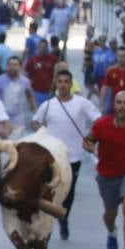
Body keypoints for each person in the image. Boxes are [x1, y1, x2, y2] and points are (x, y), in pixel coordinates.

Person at [32, 69, 99, 239]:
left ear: (71, 84)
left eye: (66, 82)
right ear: (56, 84)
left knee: (68, 191)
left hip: (74, 156)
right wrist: (41, 130)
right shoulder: (48, 105)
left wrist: (91, 137)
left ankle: (64, 219)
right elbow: (35, 121)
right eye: (60, 81)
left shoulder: (82, 103)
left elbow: (98, 120)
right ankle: (47, 219)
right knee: (49, 187)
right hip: (52, 155)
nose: (63, 85)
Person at [85, 90, 125, 249]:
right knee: (110, 215)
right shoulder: (101, 125)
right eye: (119, 103)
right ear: (114, 104)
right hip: (107, 176)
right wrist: (88, 146)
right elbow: (88, 140)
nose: (122, 106)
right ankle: (111, 232)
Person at [0, 55, 37, 134]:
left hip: (18, 120)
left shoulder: (25, 81)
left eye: (15, 65)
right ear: (6, 66)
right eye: (10, 65)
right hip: (1, 119)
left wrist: (35, 110)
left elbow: (29, 95)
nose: (12, 67)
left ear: (20, 67)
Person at [25, 39, 60, 105]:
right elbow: (26, 74)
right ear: (38, 47)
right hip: (36, 92)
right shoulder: (33, 60)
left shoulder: (54, 59)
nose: (43, 48)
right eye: (41, 46)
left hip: (50, 92)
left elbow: (59, 74)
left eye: (44, 46)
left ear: (47, 47)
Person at [101, 46, 125, 115]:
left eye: (123, 56)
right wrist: (102, 105)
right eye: (119, 56)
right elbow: (104, 88)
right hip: (114, 107)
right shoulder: (111, 71)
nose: (120, 58)